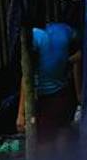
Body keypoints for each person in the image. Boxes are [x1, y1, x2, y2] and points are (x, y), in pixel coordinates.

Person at [18, 21, 82, 149]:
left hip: (46, 98)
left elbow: (27, 77)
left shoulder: (33, 37)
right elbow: (82, 53)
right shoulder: (65, 30)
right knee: (63, 135)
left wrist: (21, 114)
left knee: (45, 145)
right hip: (64, 95)